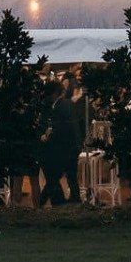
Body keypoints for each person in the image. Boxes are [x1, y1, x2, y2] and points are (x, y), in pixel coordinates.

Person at [38, 77, 85, 206]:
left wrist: (48, 137)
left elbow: (59, 128)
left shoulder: (58, 107)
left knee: (54, 178)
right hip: (72, 145)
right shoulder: (69, 104)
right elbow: (79, 124)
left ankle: (42, 202)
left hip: (63, 148)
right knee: (70, 175)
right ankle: (74, 200)